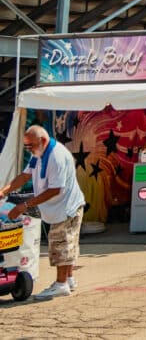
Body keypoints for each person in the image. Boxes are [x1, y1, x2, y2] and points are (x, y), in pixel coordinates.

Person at [1, 126, 86, 299]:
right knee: (68, 245)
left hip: (66, 207)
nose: (29, 149)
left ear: (43, 141)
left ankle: (61, 284)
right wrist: (4, 190)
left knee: (60, 245)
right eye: (26, 147)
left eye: (30, 146)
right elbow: (25, 176)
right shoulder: (38, 153)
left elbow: (55, 189)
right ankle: (69, 279)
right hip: (60, 206)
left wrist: (24, 206)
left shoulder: (56, 157)